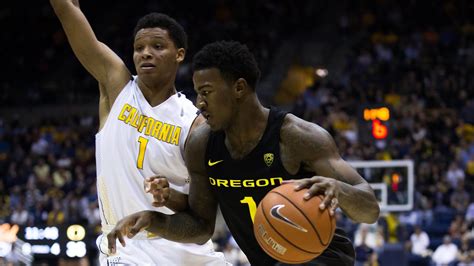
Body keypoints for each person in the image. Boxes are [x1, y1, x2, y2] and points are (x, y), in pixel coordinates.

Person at [108, 41, 380, 265]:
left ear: (239, 88)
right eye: (197, 94)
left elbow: (370, 210)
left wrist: (337, 188)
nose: (199, 103)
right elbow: (201, 227)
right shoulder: (201, 144)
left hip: (322, 256)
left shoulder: (297, 137)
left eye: (206, 92)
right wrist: (153, 221)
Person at [49, 0, 226, 265]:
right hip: (127, 247)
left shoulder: (194, 124)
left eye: (157, 46)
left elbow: (200, 219)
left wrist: (170, 196)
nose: (145, 53)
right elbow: (67, 10)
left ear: (179, 54)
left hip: (184, 246)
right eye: (139, 48)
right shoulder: (116, 86)